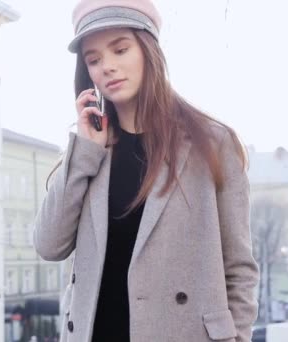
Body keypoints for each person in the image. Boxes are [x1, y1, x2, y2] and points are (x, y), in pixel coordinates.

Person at [32, 0, 260, 341]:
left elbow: (239, 268)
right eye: (94, 59)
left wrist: (236, 337)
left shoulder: (212, 144)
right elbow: (49, 245)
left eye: (120, 49)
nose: (107, 66)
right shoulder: (89, 152)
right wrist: (84, 152)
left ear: (148, 49)